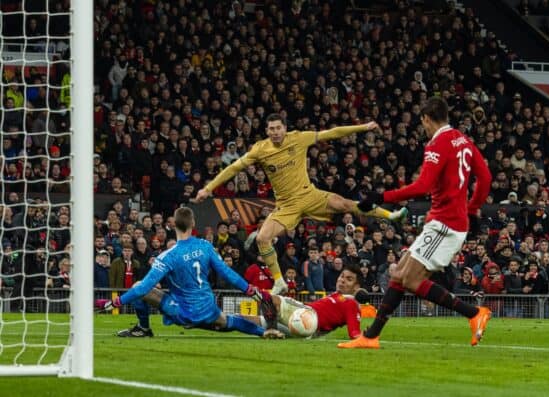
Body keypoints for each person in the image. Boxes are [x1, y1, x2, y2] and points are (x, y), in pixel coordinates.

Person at [192, 114, 407, 294]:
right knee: (262, 238)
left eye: (278, 128)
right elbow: (233, 169)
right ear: (267, 131)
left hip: (309, 195)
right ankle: (279, 281)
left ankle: (391, 216)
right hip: (287, 205)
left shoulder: (299, 138)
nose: (275, 132)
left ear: (285, 128)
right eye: (271, 129)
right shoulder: (260, 149)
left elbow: (332, 133)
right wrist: (208, 188)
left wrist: (363, 127)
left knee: (345, 204)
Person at [339, 97, 493, 349]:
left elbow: (421, 186)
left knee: (410, 280)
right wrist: (472, 208)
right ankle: (371, 336)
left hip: (445, 224)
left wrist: (381, 197)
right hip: (449, 221)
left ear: (426, 119)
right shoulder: (463, 140)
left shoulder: (437, 144)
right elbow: (485, 177)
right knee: (399, 275)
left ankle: (474, 313)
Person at [98, 207, 282, 339]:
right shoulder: (206, 246)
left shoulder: (167, 256)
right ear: (193, 223)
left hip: (182, 313)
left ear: (174, 224)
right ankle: (264, 332)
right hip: (208, 309)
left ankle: (143, 328)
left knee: (139, 286)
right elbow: (228, 273)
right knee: (228, 322)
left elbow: (143, 288)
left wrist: (114, 303)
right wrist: (251, 291)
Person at [245, 263, 367, 340]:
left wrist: (368, 335)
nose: (342, 280)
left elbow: (354, 333)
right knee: (254, 321)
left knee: (272, 299)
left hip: (307, 316)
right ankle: (227, 321)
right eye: (342, 276)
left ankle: (244, 286)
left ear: (356, 286)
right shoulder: (337, 296)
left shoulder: (350, 302)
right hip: (302, 325)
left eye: (349, 279)